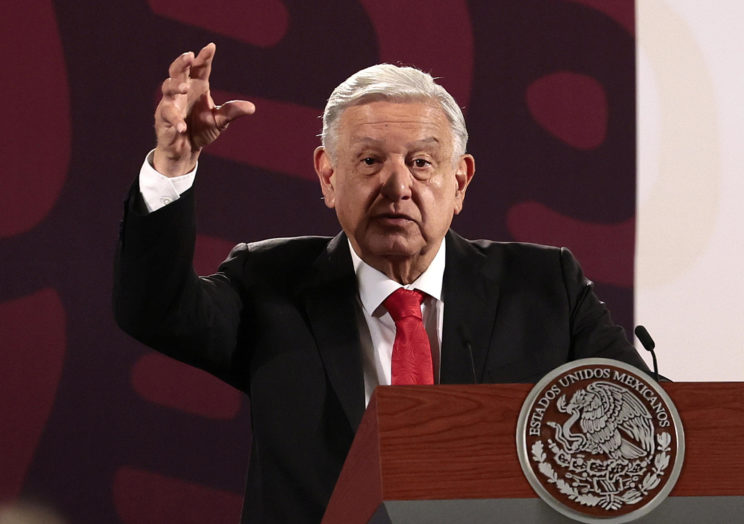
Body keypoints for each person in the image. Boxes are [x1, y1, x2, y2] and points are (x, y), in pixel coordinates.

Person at [114, 43, 649, 523]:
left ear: (459, 181)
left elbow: (650, 423)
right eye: (370, 160)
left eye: (421, 162)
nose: (398, 186)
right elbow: (156, 310)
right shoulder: (270, 283)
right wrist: (174, 165)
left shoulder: (545, 288)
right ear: (328, 175)